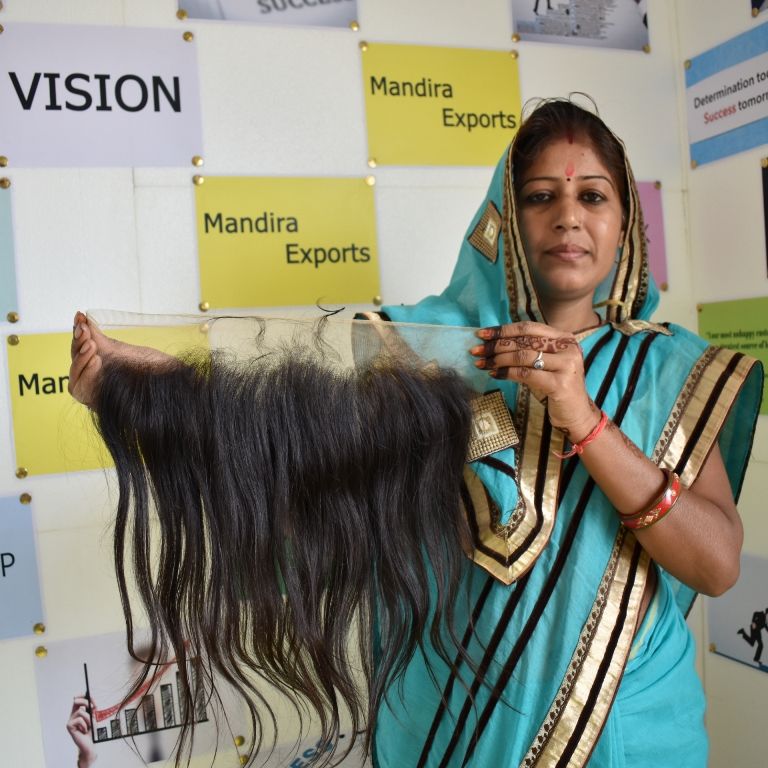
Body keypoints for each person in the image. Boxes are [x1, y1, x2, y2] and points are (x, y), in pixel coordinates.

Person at [69, 97, 763, 767]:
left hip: (629, 733)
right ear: (502, 220)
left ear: (625, 221)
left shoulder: (671, 370)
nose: (568, 217)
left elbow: (717, 566)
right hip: (456, 720)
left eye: (592, 197)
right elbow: (301, 471)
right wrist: (161, 395)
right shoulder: (420, 352)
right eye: (540, 196)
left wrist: (583, 418)